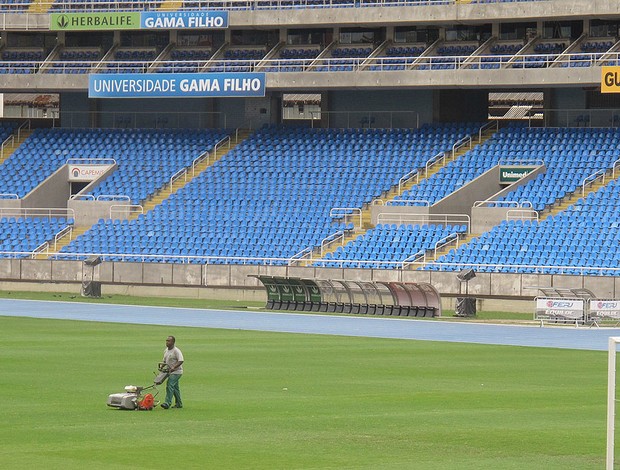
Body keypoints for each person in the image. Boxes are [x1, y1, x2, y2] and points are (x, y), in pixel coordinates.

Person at [160, 335, 184, 409]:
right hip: (170, 371)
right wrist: (161, 367)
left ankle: (167, 403)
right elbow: (164, 361)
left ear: (173, 342)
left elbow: (181, 360)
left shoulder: (176, 351)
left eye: (168, 341)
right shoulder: (166, 350)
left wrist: (174, 367)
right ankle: (179, 404)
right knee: (175, 388)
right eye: (166, 341)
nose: (167, 342)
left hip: (177, 372)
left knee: (169, 385)